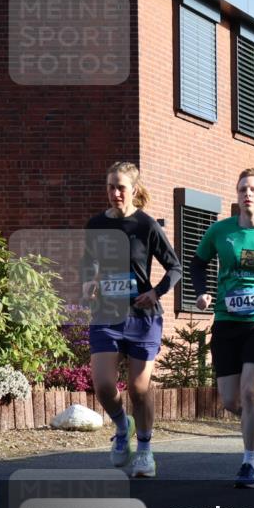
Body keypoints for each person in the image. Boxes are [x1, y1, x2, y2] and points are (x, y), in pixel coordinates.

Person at [191, 169, 254, 488]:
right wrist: (200, 292)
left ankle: (249, 464)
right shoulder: (220, 232)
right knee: (229, 401)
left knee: (249, 389)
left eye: (252, 189)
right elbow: (198, 262)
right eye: (242, 189)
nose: (247, 194)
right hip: (227, 319)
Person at [81, 161, 182, 478]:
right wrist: (88, 281)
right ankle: (123, 424)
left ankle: (146, 451)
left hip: (142, 316)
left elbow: (174, 267)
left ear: (134, 190)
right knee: (104, 385)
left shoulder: (146, 225)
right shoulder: (96, 224)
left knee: (139, 388)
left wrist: (156, 292)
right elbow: (88, 263)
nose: (114, 193)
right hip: (107, 315)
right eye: (110, 186)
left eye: (120, 187)